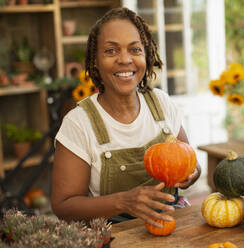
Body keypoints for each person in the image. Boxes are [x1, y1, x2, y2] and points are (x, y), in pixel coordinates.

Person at [51, 7, 201, 228]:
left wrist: (192, 173)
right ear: (94, 61)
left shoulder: (161, 104)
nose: (125, 59)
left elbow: (192, 165)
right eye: (111, 51)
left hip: (172, 226)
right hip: (113, 234)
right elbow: (64, 207)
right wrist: (123, 202)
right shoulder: (79, 123)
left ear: (146, 55)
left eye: (135, 50)